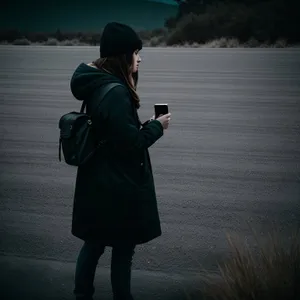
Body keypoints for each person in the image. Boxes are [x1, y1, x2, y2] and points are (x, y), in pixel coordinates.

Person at [69, 22, 171, 300]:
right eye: (135, 52)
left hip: (97, 177)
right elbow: (131, 144)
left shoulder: (99, 82)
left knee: (95, 243)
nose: (139, 58)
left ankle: (82, 295)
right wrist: (157, 127)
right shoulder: (115, 92)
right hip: (116, 184)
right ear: (121, 56)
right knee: (122, 249)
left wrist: (142, 125)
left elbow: (115, 132)